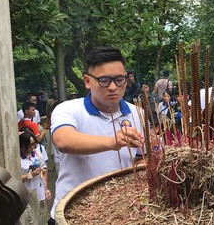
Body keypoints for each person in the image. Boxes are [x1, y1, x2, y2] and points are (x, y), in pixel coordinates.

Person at [49, 46, 145, 221]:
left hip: (119, 215)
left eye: (119, 79)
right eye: (104, 80)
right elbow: (63, 140)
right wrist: (112, 142)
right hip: (73, 214)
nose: (113, 87)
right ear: (87, 81)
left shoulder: (137, 113)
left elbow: (141, 158)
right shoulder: (69, 109)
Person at [19, 129, 49, 225]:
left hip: (40, 191)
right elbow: (16, 179)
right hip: (28, 193)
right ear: (22, 146)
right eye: (30, 145)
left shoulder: (36, 153)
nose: (33, 147)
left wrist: (45, 186)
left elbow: (44, 167)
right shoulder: (18, 159)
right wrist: (30, 175)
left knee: (42, 217)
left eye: (34, 144)